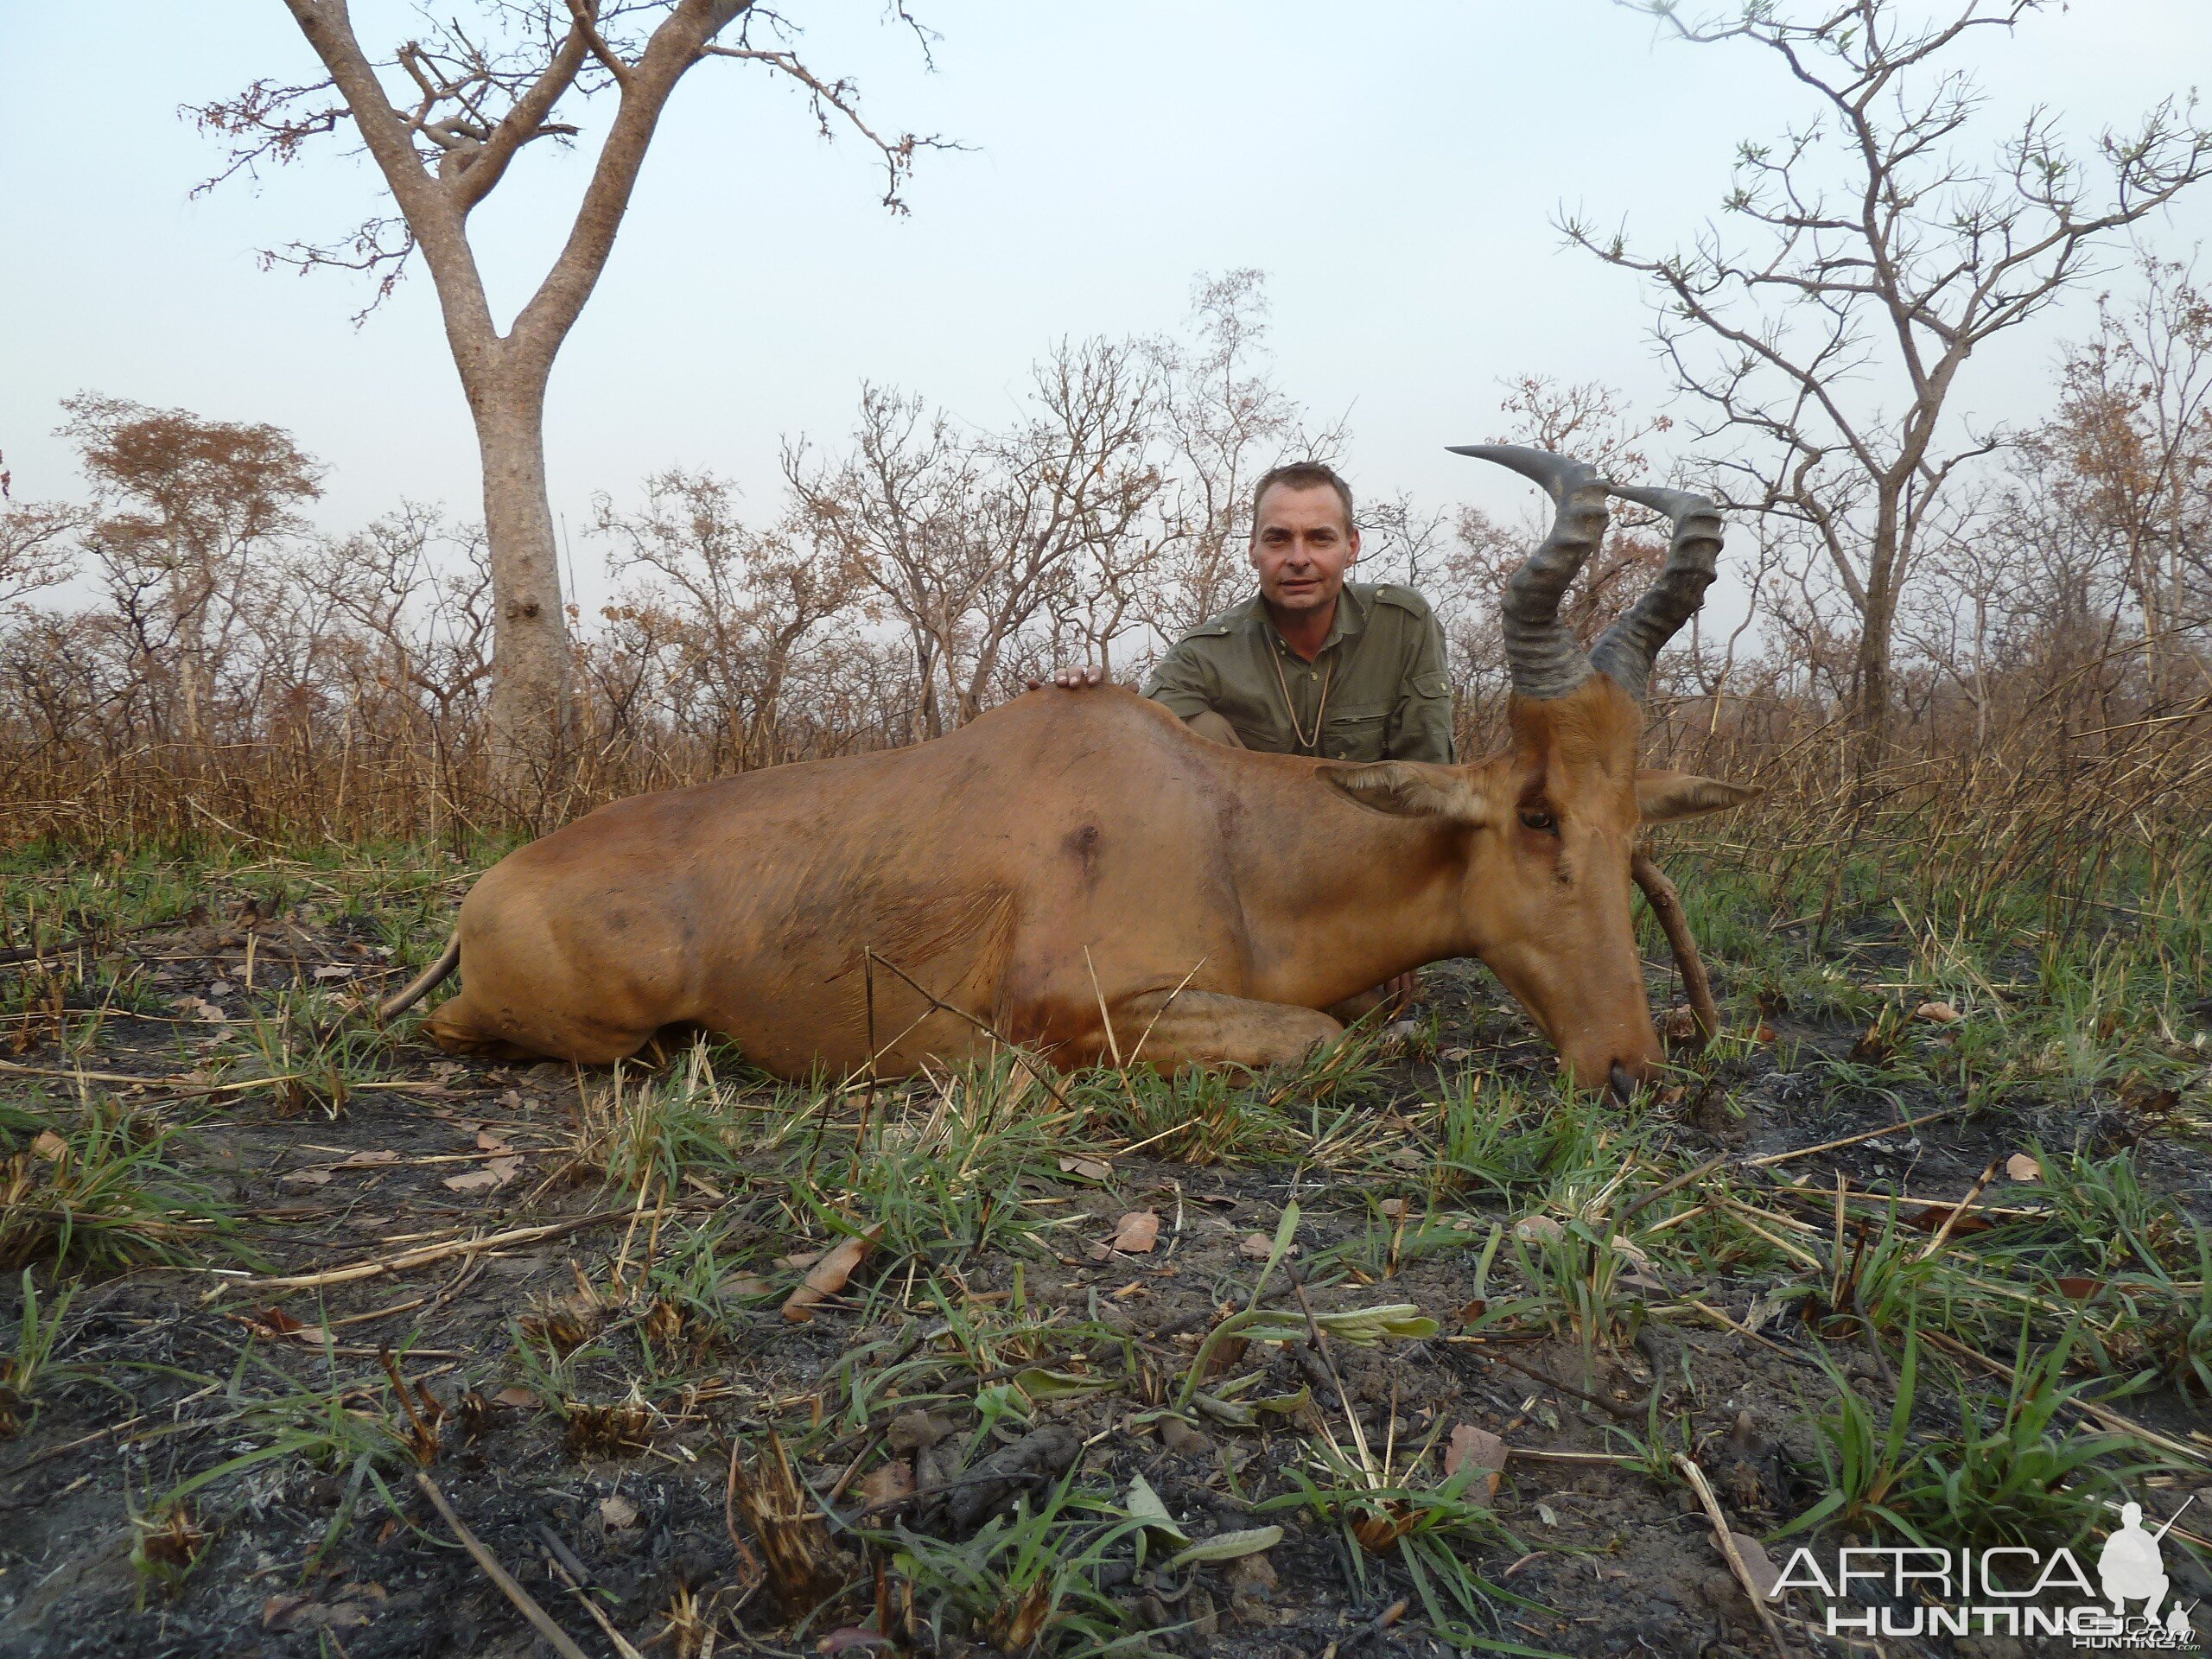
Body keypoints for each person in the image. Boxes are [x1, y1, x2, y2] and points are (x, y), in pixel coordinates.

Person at [1044, 460, 1454, 1014]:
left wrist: (1405, 924)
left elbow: (1429, 774)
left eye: (1320, 538)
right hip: (1255, 886)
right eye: (1278, 539)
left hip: (1369, 878)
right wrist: (1085, 705)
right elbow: (1135, 752)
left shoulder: (1404, 625)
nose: (1299, 558)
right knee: (1192, 733)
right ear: (1255, 550)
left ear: (1352, 546)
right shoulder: (1203, 653)